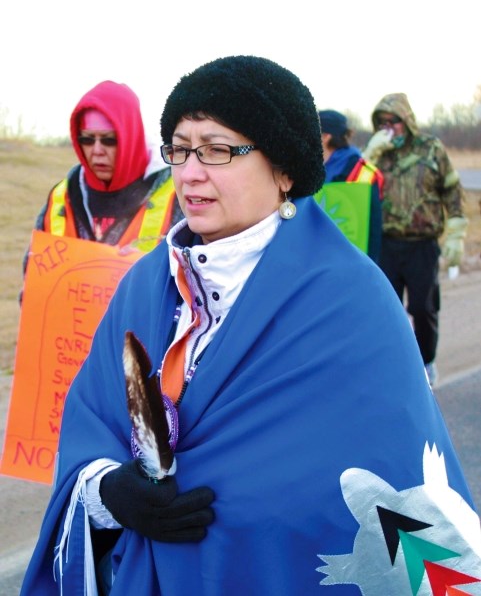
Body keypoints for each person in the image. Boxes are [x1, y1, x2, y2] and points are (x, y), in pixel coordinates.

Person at [21, 57, 481, 595]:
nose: (190, 172)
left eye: (217, 150)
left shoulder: (352, 301)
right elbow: (90, 427)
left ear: (283, 169)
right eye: (179, 148)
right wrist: (110, 494)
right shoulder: (145, 287)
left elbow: (396, 486)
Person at [363, 93, 468, 386]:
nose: (388, 128)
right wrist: (369, 154)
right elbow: (354, 188)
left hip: (422, 244)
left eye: (393, 121)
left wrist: (457, 229)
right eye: (382, 123)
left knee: (423, 308)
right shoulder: (377, 153)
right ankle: (395, 367)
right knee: (386, 309)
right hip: (386, 244)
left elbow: (451, 188)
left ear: (406, 120)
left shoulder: (430, 148)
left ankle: (427, 361)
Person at [24, 80, 182, 274]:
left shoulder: (177, 195)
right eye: (87, 139)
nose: (97, 151)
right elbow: (31, 277)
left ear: (131, 137)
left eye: (109, 140)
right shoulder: (61, 196)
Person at [316, 109, 383, 262]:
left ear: (326, 137)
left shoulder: (363, 173)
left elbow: (373, 232)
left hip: (353, 262)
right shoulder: (310, 169)